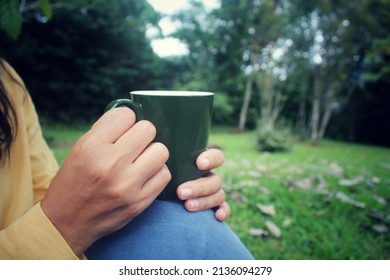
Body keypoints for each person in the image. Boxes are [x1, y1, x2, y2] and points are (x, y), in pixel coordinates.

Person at [0, 59, 253, 260]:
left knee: (191, 219)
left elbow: (42, 191)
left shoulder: (9, 83)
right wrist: (61, 228)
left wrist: (188, 177)